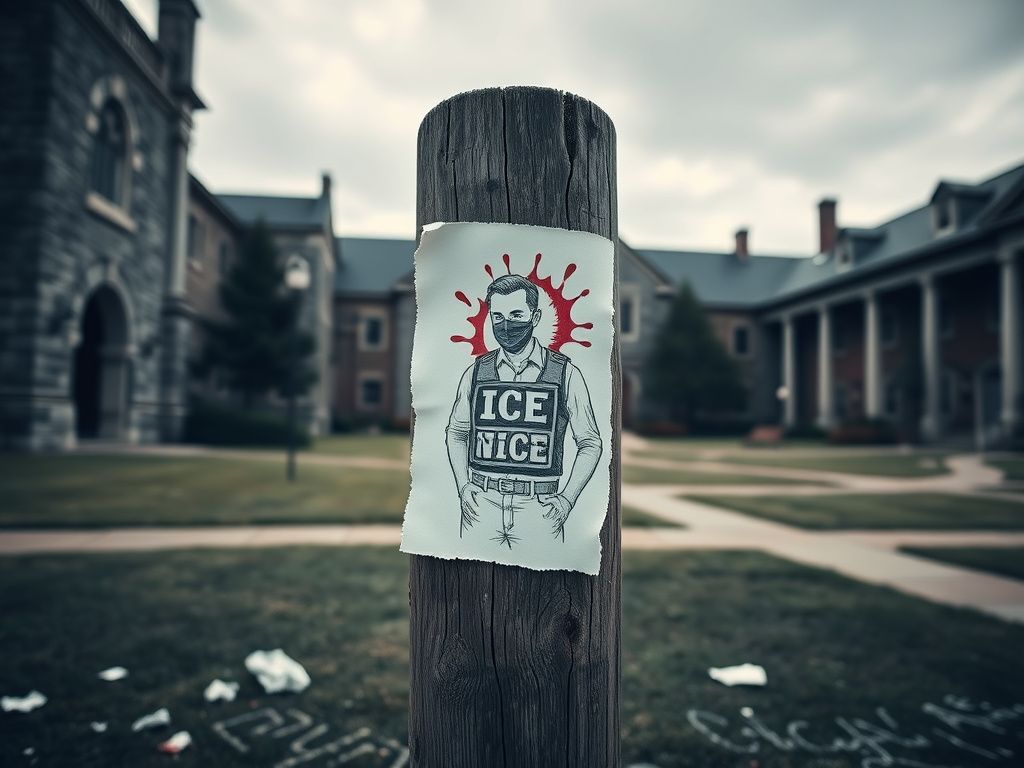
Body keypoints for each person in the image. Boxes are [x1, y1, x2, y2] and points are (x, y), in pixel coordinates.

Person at [445, 274, 602, 548]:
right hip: (480, 503)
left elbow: (590, 443)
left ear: (536, 316)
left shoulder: (565, 373)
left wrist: (567, 499)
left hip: (540, 508)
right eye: (497, 317)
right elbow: (457, 433)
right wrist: (462, 486)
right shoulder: (476, 372)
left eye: (516, 314)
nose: (506, 325)